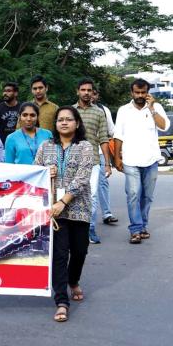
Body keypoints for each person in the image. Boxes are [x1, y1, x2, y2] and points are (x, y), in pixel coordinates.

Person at [34, 106, 94, 322]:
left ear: (77, 123)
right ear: (55, 124)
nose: (64, 123)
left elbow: (82, 177)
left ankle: (73, 280)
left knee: (79, 252)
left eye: (69, 119)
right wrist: (44, 173)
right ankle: (61, 301)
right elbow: (34, 172)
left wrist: (63, 201)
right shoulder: (45, 147)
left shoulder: (85, 147)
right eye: (60, 119)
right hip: (54, 211)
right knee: (59, 255)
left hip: (79, 208)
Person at [113, 78, 170, 244]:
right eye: (136, 92)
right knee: (133, 194)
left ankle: (143, 225)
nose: (140, 95)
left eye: (143, 92)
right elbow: (118, 135)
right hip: (131, 159)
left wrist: (152, 108)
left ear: (147, 93)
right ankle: (136, 229)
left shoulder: (156, 107)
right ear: (131, 93)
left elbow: (164, 126)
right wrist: (117, 157)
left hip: (151, 159)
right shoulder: (124, 110)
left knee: (147, 196)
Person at [74, 78, 113, 244]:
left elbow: (104, 138)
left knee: (93, 195)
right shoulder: (70, 111)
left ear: (93, 93)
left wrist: (108, 164)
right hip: (72, 159)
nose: (86, 93)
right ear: (77, 91)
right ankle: (74, 228)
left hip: (94, 160)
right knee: (73, 193)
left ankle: (89, 228)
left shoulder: (99, 112)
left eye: (89, 90)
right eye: (83, 90)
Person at [92, 89, 118, 226]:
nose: (91, 95)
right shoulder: (75, 110)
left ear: (97, 95)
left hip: (101, 151)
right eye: (87, 91)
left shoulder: (103, 110)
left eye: (94, 93)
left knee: (102, 183)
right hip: (82, 153)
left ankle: (107, 213)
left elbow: (112, 131)